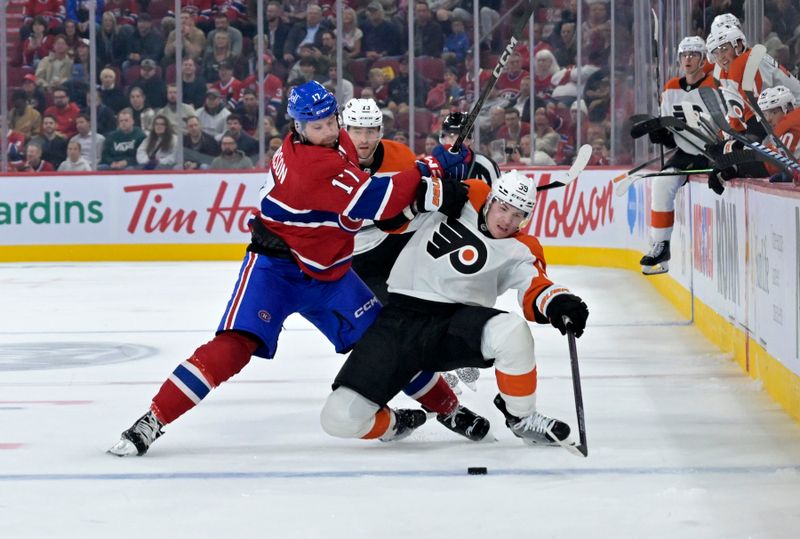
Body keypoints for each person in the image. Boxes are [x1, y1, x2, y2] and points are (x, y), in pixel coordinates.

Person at [108, 81, 472, 457]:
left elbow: (373, 191)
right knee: (234, 347)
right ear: (298, 127)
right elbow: (377, 200)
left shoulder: (325, 143)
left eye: (333, 121)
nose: (330, 131)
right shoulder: (309, 167)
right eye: (319, 127)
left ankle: (449, 409)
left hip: (328, 270)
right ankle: (152, 420)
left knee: (386, 341)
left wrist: (435, 166)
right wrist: (434, 164)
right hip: (275, 269)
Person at [319, 170, 590, 446]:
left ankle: (522, 418)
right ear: (491, 199)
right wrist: (427, 195)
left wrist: (559, 302)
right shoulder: (462, 198)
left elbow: (536, 286)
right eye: (503, 207)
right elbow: (393, 220)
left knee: (511, 331)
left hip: (455, 325)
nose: (507, 220)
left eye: (518, 214)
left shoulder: (521, 248)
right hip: (399, 321)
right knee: (337, 418)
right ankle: (395, 424)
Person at [346, 100, 493, 428]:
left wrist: (448, 180)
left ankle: (448, 404)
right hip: (350, 263)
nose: (364, 138)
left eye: (371, 130)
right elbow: (381, 210)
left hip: (396, 248)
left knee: (409, 328)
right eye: (357, 130)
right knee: (386, 337)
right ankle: (435, 407)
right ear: (345, 130)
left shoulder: (398, 155)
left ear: (381, 131)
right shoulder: (332, 163)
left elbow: (420, 187)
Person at [637, 36, 716, 275]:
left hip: (712, 149)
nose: (688, 59)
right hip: (685, 151)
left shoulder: (715, 84)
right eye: (684, 55)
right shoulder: (671, 87)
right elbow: (671, 130)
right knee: (661, 183)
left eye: (693, 54)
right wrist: (660, 134)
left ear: (703, 59)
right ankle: (661, 245)